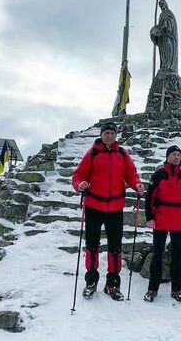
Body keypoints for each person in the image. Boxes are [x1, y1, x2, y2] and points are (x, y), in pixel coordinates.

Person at [72, 122, 145, 301]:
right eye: (107, 133)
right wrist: (79, 185)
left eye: (112, 133)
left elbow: (131, 174)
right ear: (102, 134)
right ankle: (91, 281)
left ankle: (112, 284)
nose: (110, 136)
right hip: (93, 206)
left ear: (115, 135)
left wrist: (137, 185)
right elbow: (78, 175)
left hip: (115, 208)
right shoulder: (92, 153)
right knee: (92, 245)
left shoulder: (122, 154)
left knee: (115, 247)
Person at [143, 145, 181, 303]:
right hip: (160, 218)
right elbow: (149, 198)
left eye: (179, 154)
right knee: (157, 255)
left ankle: (177, 289)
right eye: (173, 154)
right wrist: (149, 217)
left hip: (179, 219)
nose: (176, 157)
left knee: (177, 256)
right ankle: (152, 289)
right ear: (167, 157)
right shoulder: (159, 174)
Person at [150, 0, 178, 72]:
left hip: (168, 37)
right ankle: (164, 66)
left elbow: (170, 23)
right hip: (162, 38)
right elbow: (160, 26)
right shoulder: (161, 14)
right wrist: (155, 30)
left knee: (168, 51)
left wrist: (164, 26)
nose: (161, 6)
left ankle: (169, 66)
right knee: (163, 53)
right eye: (160, 5)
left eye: (162, 4)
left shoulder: (168, 13)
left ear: (166, 4)